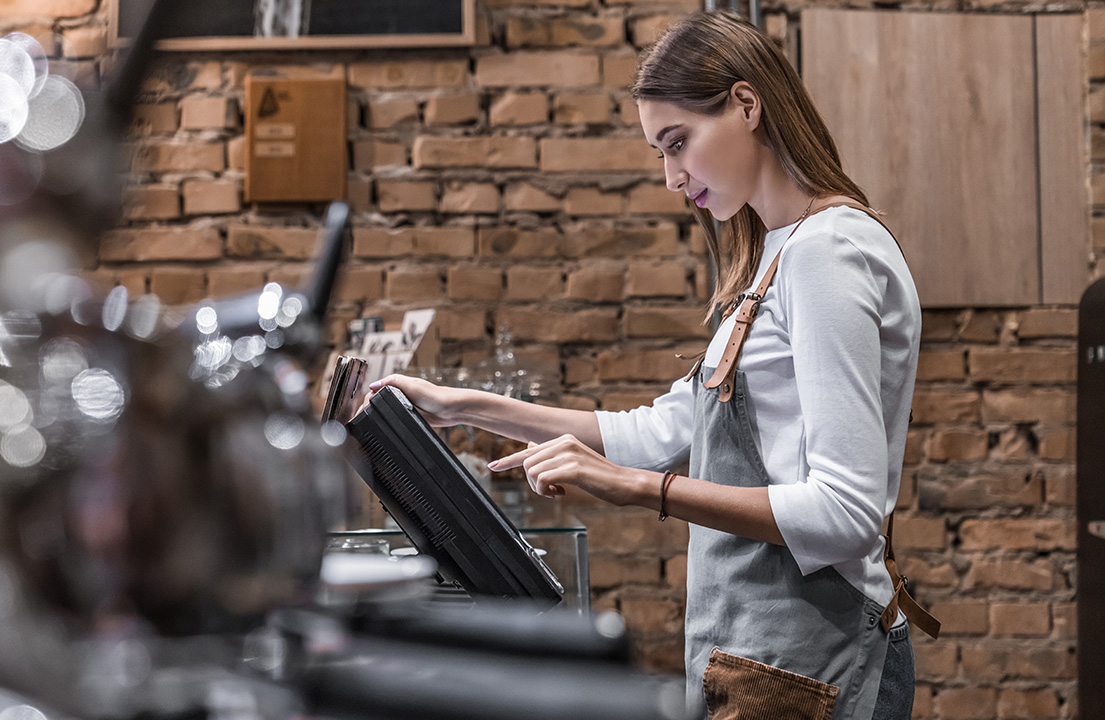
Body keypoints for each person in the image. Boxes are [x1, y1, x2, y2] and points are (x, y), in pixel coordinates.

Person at [363, 10, 938, 720]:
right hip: (771, 658)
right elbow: (664, 428)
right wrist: (462, 407)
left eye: (679, 143)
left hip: (818, 661)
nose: (672, 178)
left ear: (746, 104)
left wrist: (638, 489)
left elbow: (845, 515)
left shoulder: (826, 253)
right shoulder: (777, 257)